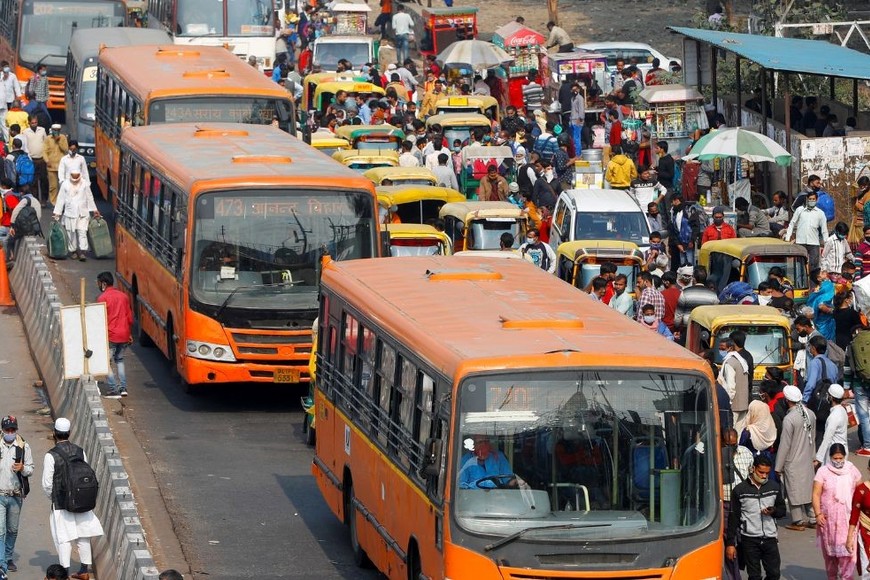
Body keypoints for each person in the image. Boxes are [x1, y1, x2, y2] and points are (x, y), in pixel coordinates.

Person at [42, 418, 104, 580]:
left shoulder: (51, 455)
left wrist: (54, 498)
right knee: (83, 536)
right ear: (69, 433)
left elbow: (47, 484)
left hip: (61, 504)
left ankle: (65, 575)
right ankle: (84, 571)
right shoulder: (80, 451)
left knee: (63, 540)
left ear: (54, 433)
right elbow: (85, 475)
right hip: (81, 501)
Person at [725, 455, 786, 580]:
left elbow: (782, 510)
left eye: (767, 473)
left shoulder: (774, 487)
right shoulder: (739, 490)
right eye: (761, 472)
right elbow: (734, 517)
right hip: (749, 540)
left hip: (770, 538)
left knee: (774, 574)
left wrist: (773, 511)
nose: (764, 476)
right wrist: (730, 544)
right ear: (753, 469)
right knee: (754, 576)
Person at [813, 443, 861, 579]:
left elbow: (860, 491)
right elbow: (816, 494)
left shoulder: (852, 470)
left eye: (841, 458)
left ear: (845, 457)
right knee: (830, 556)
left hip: (848, 520)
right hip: (829, 521)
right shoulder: (823, 471)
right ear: (830, 457)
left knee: (848, 554)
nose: (838, 461)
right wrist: (818, 513)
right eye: (835, 458)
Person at [776, 385, 818, 531]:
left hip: (792, 460)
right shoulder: (810, 414)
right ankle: (813, 517)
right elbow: (813, 438)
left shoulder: (789, 419)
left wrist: (778, 466)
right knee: (807, 489)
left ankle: (798, 521)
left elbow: (784, 445)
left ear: (787, 400)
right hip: (807, 459)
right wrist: (813, 456)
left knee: (793, 491)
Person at [0, 415, 32, 577]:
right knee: (0, 530)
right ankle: (2, 563)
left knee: (12, 530)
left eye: (13, 430)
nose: (10, 432)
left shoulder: (23, 446)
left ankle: (8, 557)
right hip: (0, 494)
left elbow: (30, 469)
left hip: (16, 495)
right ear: (2, 430)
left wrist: (22, 468)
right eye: (8, 430)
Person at [722, 427, 754, 580]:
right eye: (727, 445)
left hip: (743, 504)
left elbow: (752, 476)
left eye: (733, 444)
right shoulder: (716, 455)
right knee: (730, 543)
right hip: (725, 505)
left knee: (743, 540)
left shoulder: (746, 453)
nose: (731, 448)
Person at [96, 272, 133, 397]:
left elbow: (99, 320)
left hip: (111, 335)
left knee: (105, 362)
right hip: (124, 335)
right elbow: (130, 318)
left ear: (104, 284)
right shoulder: (124, 297)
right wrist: (129, 333)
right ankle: (123, 388)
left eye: (99, 283)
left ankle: (113, 387)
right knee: (120, 360)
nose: (98, 285)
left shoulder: (102, 298)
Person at [52, 171, 98, 261]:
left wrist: (94, 210)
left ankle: (82, 251)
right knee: (71, 233)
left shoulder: (84, 184)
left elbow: (89, 197)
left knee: (82, 232)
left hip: (82, 212)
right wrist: (57, 213)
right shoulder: (65, 184)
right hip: (70, 212)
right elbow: (60, 199)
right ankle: (73, 251)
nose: (75, 179)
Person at [785, 190, 828, 271]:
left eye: (813, 199)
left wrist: (826, 243)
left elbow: (824, 230)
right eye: (810, 199)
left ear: (817, 200)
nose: (811, 201)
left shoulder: (820, 213)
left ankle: (812, 283)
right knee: (799, 265)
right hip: (800, 242)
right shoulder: (799, 210)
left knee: (814, 265)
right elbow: (792, 223)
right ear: (807, 199)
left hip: (814, 243)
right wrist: (788, 238)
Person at [719, 338, 750, 432]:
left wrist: (728, 402)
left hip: (734, 405)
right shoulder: (741, 361)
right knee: (739, 433)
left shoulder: (730, 363)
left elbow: (730, 386)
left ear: (730, 348)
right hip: (743, 403)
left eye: (723, 348)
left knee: (731, 432)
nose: (720, 351)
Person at [816, 383, 848, 466]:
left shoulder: (834, 416)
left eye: (828, 395)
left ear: (831, 397)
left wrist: (818, 458)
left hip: (835, 452)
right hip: (842, 450)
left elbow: (827, 438)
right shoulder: (842, 410)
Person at [44, 124, 68, 206]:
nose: (56, 132)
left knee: (63, 185)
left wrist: (59, 141)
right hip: (51, 166)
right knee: (53, 186)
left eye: (57, 130)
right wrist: (47, 161)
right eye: (54, 130)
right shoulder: (48, 139)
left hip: (61, 166)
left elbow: (66, 150)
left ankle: (63, 202)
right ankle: (54, 202)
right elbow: (44, 151)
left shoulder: (63, 138)